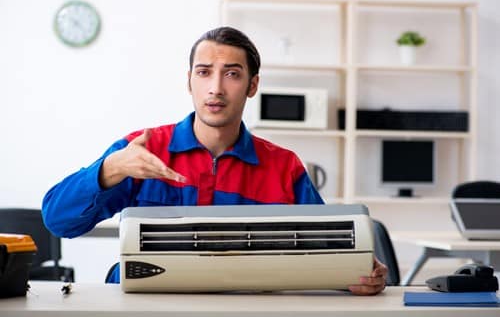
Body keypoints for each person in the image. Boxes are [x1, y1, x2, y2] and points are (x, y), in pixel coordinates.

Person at [42, 26, 387, 294]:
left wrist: (359, 275)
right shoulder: (140, 148)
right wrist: (111, 169)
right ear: (189, 81)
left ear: (252, 86)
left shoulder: (284, 167)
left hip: (245, 308)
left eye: (232, 74)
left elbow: (324, 253)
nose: (216, 88)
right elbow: (58, 222)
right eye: (204, 72)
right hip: (142, 304)